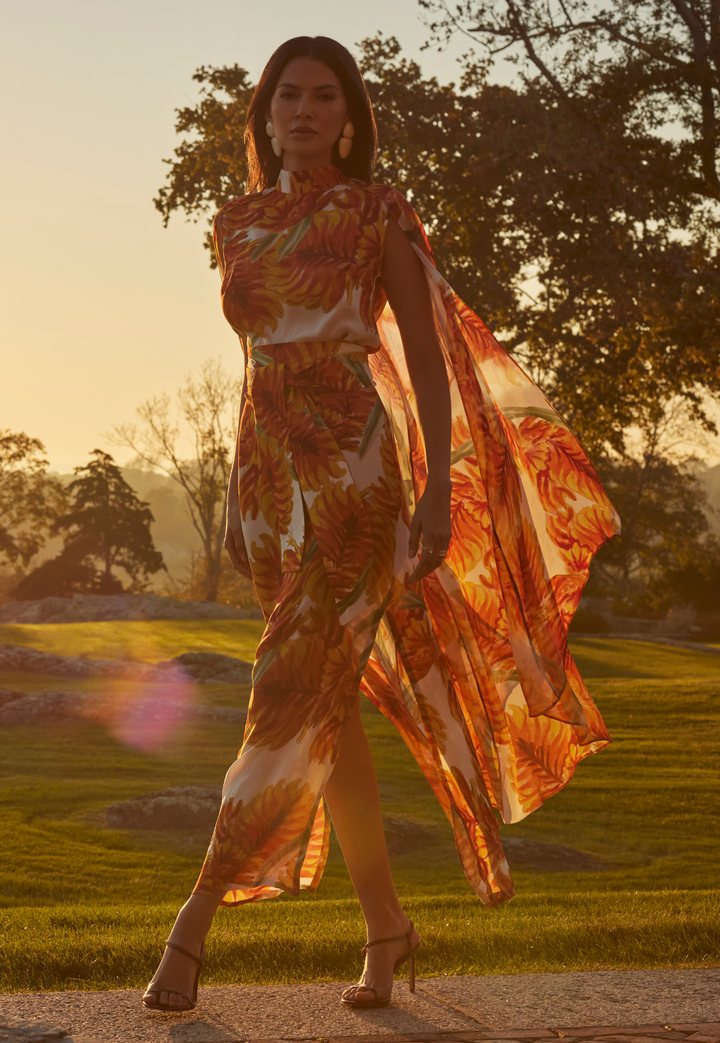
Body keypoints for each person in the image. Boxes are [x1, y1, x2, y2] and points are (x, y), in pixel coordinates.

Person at [142, 36, 619, 1014]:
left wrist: (439, 490)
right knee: (330, 709)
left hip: (357, 485)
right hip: (273, 485)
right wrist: (241, 496)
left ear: (349, 118)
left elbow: (431, 361)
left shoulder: (373, 213)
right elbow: (256, 365)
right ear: (266, 115)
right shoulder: (236, 223)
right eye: (290, 95)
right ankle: (385, 926)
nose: (307, 110)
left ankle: (193, 921)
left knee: (285, 696)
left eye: (325, 96)